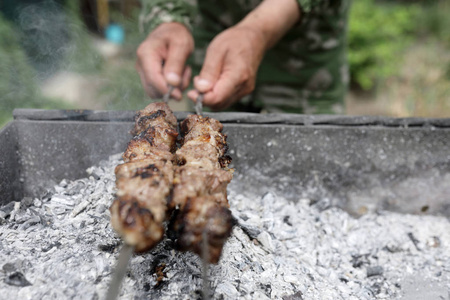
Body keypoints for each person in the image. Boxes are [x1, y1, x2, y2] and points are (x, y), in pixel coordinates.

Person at [136, 0, 350, 114]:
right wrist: (167, 20)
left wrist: (258, 30)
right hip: (213, 33)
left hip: (304, 53)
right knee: (206, 127)